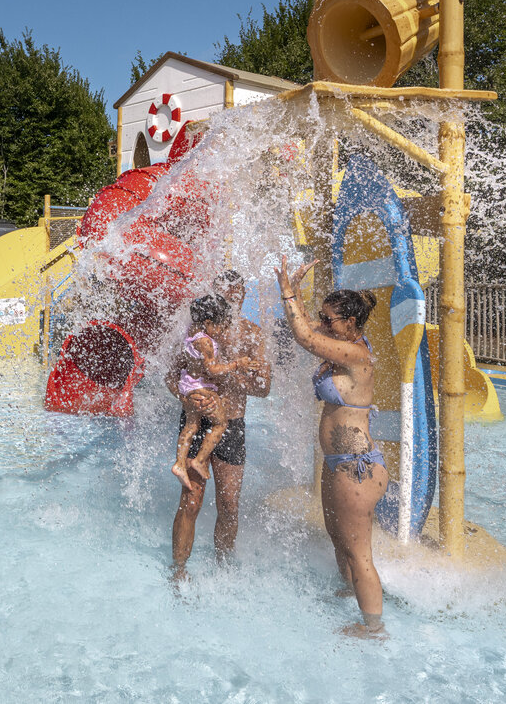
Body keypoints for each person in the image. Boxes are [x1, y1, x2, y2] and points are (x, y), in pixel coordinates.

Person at [274, 255, 389, 638]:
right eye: (323, 317)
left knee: (359, 552)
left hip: (357, 468)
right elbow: (308, 327)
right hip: (337, 462)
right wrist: (297, 294)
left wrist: (288, 293)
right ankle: (351, 592)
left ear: (351, 323)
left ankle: (374, 628)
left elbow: (305, 337)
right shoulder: (341, 343)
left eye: (330, 319)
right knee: (338, 536)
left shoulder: (357, 354)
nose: (323, 324)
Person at [166, 271, 270, 577]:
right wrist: (186, 398)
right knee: (191, 501)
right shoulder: (195, 334)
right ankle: (179, 571)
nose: (230, 302)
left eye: (235, 296)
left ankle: (223, 569)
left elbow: (264, 387)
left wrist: (229, 376)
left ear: (243, 296)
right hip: (197, 421)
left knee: (228, 505)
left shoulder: (252, 334)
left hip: (231, 423)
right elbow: (171, 376)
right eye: (224, 296)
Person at [170, 295, 239, 494]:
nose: (223, 331)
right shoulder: (206, 342)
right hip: (201, 389)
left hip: (188, 387)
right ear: (208, 323)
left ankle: (180, 464)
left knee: (191, 425)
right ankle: (199, 460)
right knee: (221, 423)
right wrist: (236, 365)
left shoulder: (191, 332)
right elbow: (212, 370)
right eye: (221, 326)